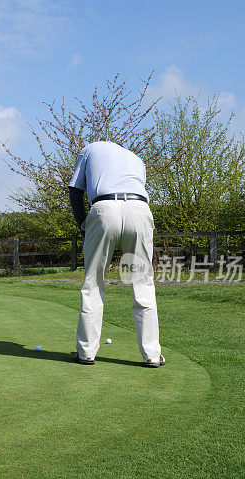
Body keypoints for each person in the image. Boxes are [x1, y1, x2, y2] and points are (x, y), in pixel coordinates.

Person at [68, 140, 164, 367]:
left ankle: (86, 353)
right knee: (143, 283)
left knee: (93, 283)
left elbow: (75, 191)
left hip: (104, 209)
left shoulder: (90, 148)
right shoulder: (137, 159)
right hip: (139, 210)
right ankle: (151, 355)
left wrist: (83, 225)